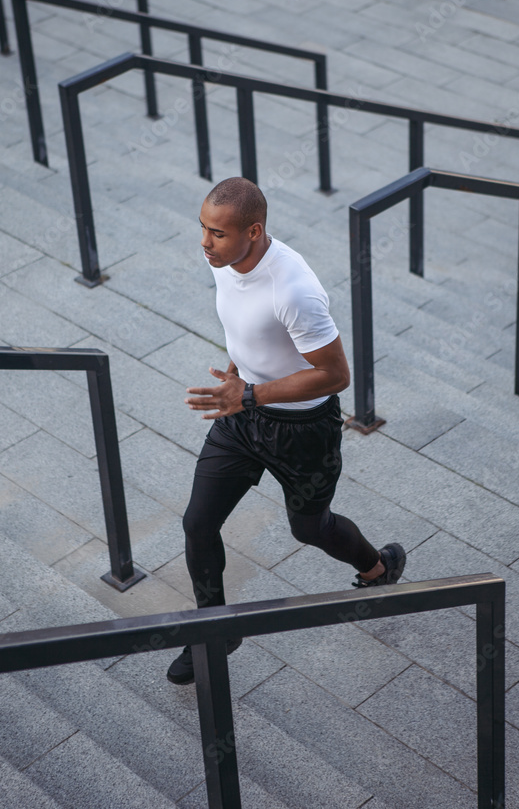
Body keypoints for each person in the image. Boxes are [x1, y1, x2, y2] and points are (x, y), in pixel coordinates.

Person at [167, 177, 405, 685]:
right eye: (203, 228)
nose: (205, 243)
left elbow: (336, 376)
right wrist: (238, 373)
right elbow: (243, 325)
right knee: (198, 523)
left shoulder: (294, 290)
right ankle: (215, 631)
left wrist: (251, 393)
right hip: (242, 416)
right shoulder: (224, 260)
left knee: (309, 529)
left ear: (253, 231)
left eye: (217, 234)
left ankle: (378, 568)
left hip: (303, 431)